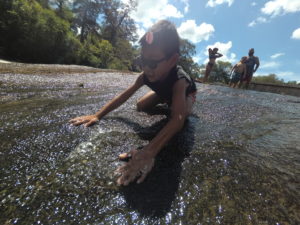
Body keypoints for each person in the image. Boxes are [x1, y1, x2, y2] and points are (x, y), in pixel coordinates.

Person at [69, 20, 197, 186]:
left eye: (152, 62)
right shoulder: (145, 75)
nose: (147, 68)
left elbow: (178, 119)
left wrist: (149, 151)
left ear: (172, 60)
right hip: (163, 93)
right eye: (142, 60)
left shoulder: (180, 81)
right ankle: (166, 100)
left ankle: (171, 103)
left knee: (180, 113)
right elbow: (124, 95)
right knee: (140, 105)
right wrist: (98, 115)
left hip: (185, 95)